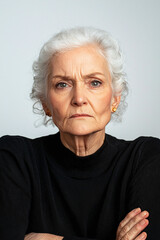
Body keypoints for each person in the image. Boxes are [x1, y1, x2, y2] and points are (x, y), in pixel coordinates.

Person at [0, 27, 160, 240]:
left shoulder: (146, 157)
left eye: (94, 82)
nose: (79, 98)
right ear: (45, 102)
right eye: (62, 84)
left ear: (115, 98)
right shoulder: (14, 158)